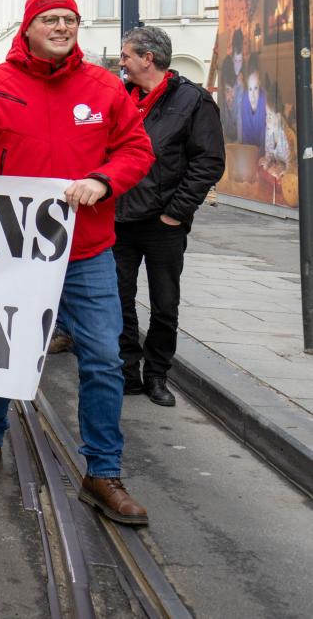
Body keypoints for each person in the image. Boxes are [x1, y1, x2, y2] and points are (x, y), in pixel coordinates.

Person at [0, 0, 155, 526]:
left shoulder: (105, 87)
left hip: (86, 252)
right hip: (10, 252)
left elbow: (136, 149)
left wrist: (103, 180)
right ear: (29, 27)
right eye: (51, 20)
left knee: (105, 358)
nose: (62, 27)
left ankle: (103, 472)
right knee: (1, 351)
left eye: (70, 19)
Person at [115, 27, 224, 407]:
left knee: (164, 303)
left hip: (163, 223)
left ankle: (157, 374)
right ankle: (127, 370)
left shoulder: (193, 101)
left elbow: (208, 162)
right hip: (119, 219)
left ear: (148, 58)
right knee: (118, 300)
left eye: (126, 55)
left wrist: (175, 215)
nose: (121, 62)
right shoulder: (119, 98)